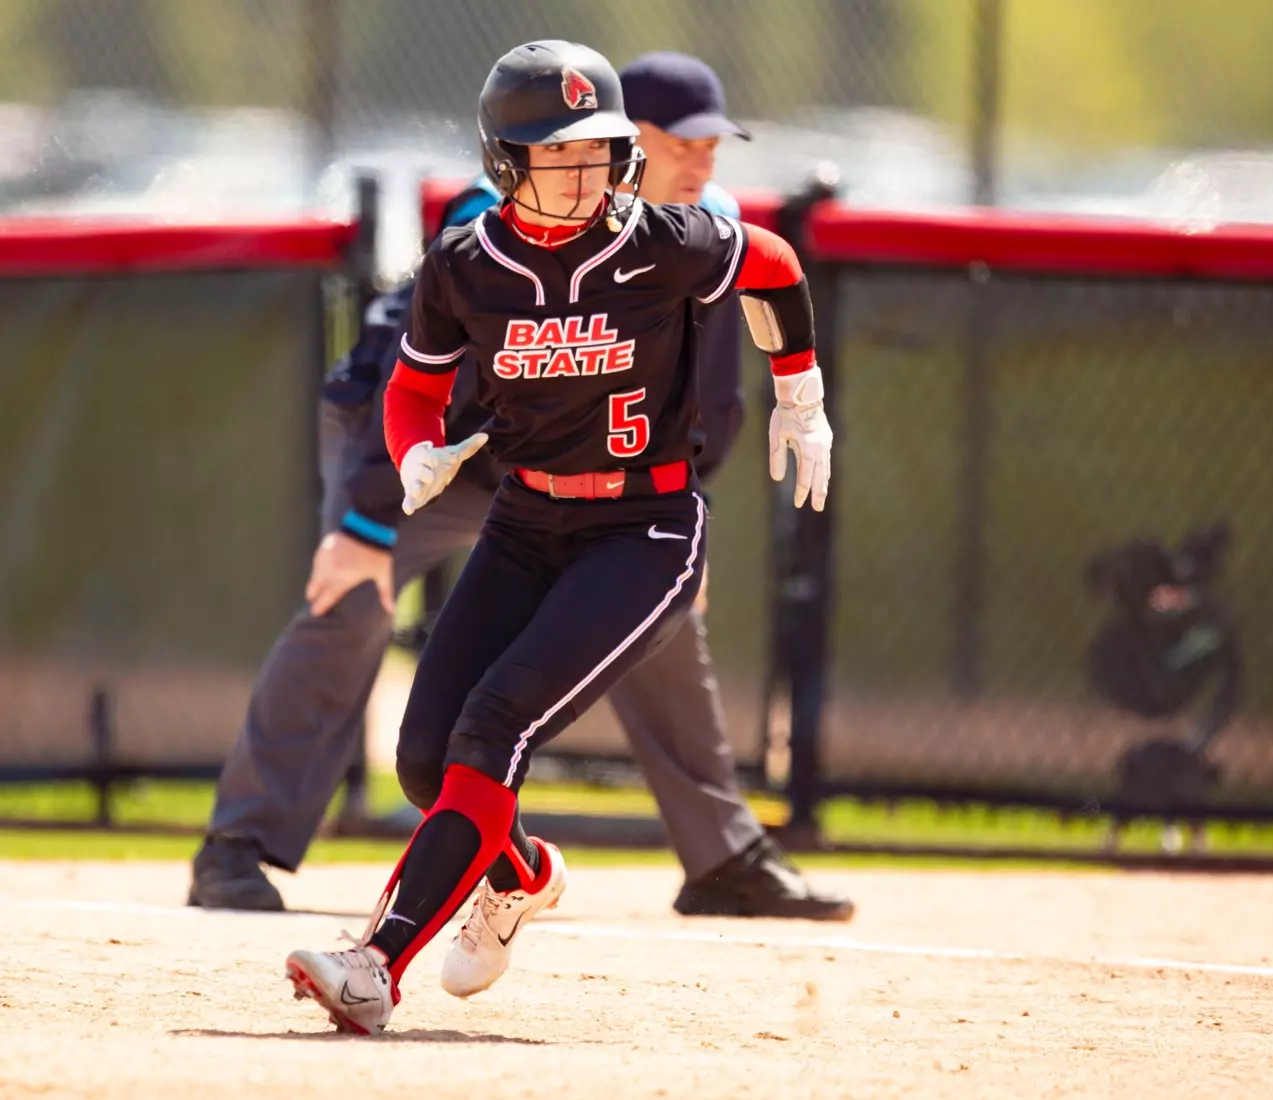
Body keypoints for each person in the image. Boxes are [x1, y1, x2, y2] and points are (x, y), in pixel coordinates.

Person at [188, 51, 852, 925]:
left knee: (660, 627)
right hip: (430, 445)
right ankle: (239, 845)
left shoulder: (699, 226)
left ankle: (724, 856)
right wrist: (366, 515)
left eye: (712, 143)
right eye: (682, 141)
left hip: (573, 469)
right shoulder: (494, 221)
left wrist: (686, 518)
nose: (703, 160)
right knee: (352, 595)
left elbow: (706, 400)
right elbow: (414, 376)